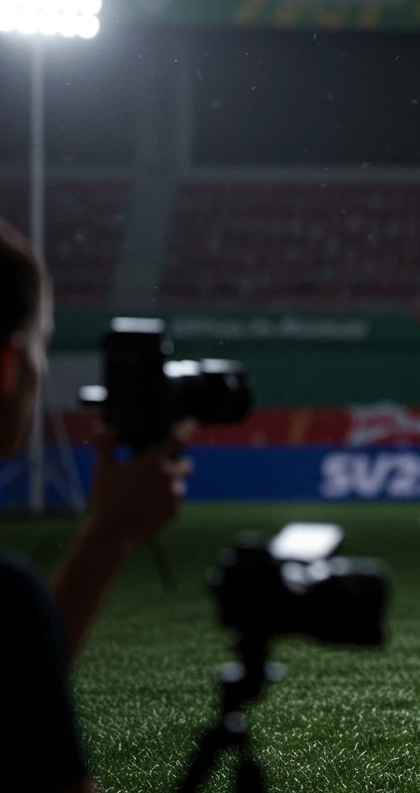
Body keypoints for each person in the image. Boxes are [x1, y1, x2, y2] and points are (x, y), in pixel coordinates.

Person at [0, 218, 194, 791]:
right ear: (8, 365)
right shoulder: (9, 598)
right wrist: (108, 536)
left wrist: (106, 539)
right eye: (42, 345)